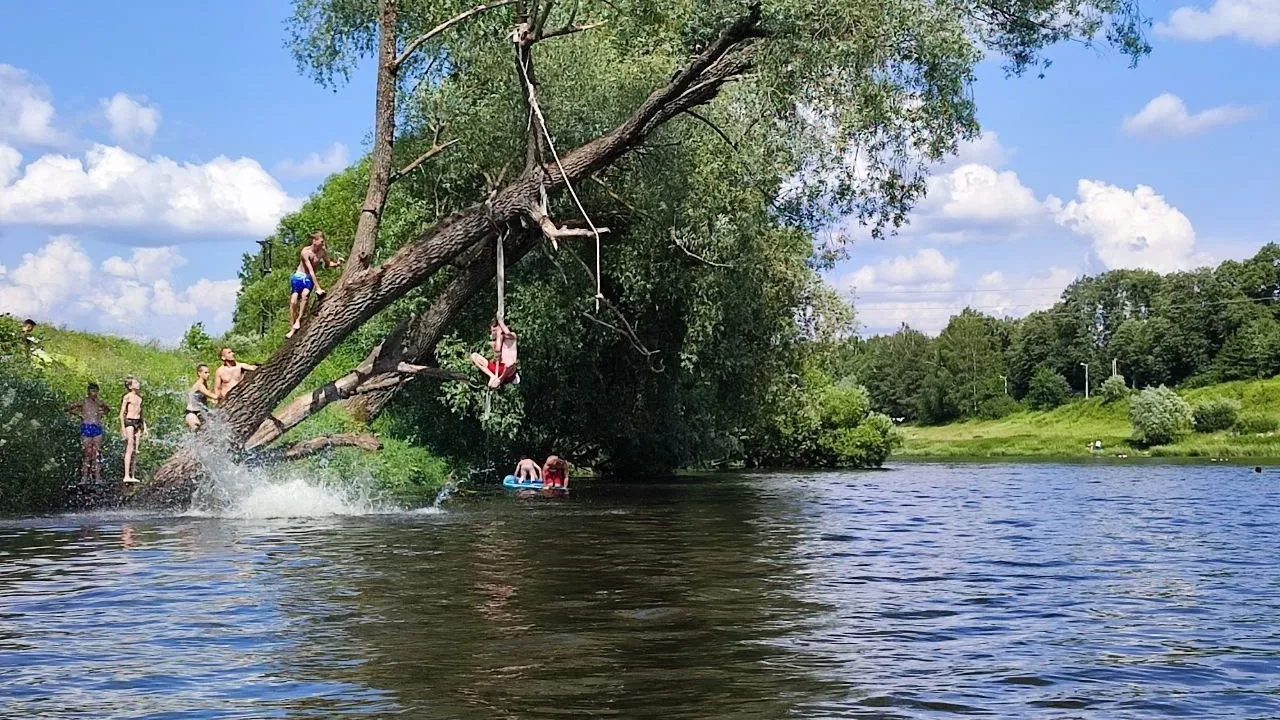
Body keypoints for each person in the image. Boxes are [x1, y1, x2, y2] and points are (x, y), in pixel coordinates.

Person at [286, 230, 343, 338]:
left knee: (305, 296)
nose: (323, 243)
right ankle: (292, 326)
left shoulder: (322, 251)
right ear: (314, 241)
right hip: (299, 276)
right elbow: (311, 270)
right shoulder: (305, 252)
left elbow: (328, 263)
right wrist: (318, 288)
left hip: (308, 278)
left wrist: (337, 264)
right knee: (293, 301)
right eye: (321, 241)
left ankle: (298, 320)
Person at [66, 382, 110, 484]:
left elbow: (107, 409)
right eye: (92, 391)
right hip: (86, 427)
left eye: (95, 391)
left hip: (97, 427)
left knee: (96, 454)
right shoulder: (84, 401)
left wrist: (101, 414)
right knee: (87, 454)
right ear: (88, 391)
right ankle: (84, 478)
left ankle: (97, 477)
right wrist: (79, 415)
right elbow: (68, 408)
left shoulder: (99, 402)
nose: (94, 393)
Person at [470, 316, 519, 389]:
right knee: (474, 356)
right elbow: (497, 349)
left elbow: (508, 333)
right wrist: (498, 335)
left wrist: (500, 322)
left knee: (510, 364)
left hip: (508, 371)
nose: (492, 333)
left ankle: (500, 379)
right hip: (498, 368)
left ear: (499, 327)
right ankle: (492, 376)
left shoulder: (512, 337)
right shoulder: (497, 340)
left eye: (494, 330)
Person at [119, 377, 146, 484]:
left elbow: (141, 413)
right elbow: (121, 414)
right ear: (130, 386)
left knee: (136, 449)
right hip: (129, 421)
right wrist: (122, 428)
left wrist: (145, 427)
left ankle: (133, 475)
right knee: (129, 447)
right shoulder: (127, 397)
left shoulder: (140, 397)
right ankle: (126, 475)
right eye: (135, 382)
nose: (138, 384)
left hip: (138, 422)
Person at [185, 364, 217, 431]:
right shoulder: (199, 385)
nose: (208, 374)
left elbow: (204, 398)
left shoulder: (204, 384)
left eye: (208, 372)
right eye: (206, 372)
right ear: (199, 373)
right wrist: (223, 396)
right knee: (198, 433)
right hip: (192, 414)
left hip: (200, 413)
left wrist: (212, 401)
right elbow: (211, 395)